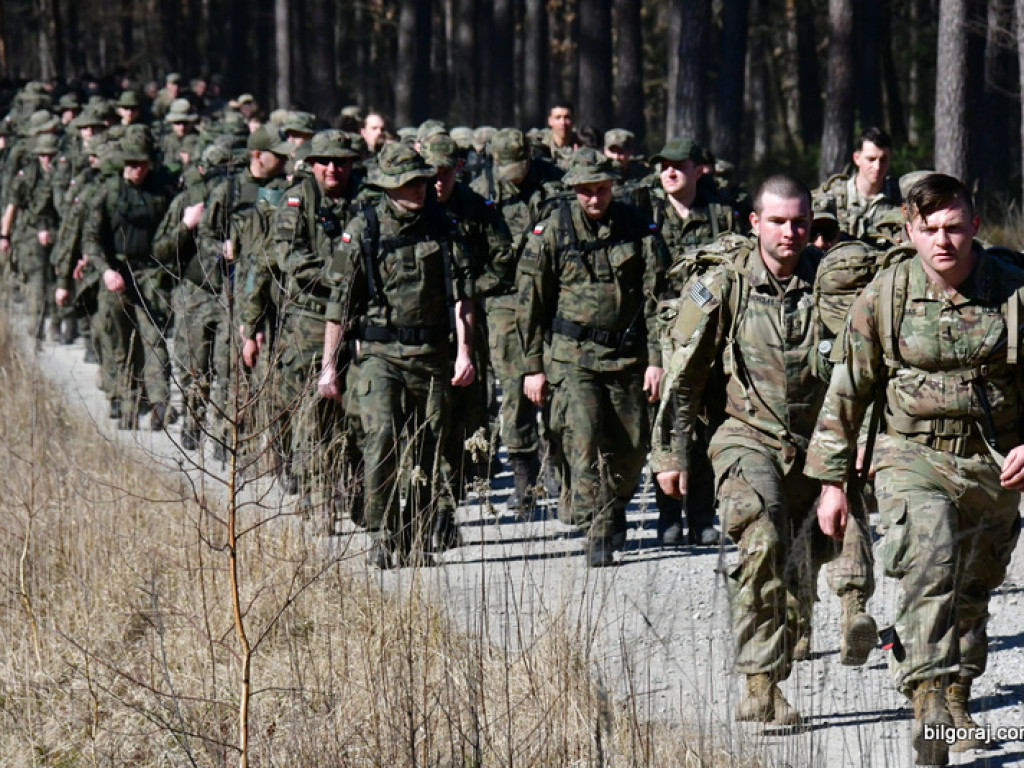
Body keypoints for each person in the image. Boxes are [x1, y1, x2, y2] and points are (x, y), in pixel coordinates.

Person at [806, 173, 1024, 765]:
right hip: (911, 456)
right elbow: (847, 389)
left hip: (993, 463)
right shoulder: (886, 292)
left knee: (974, 589)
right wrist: (832, 483)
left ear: (975, 227)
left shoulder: (1013, 288)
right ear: (910, 231)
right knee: (930, 563)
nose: (942, 241)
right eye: (928, 230)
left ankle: (956, 702)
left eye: (954, 228)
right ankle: (927, 701)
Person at [653, 174, 835, 723]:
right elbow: (682, 376)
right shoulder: (719, 285)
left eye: (800, 221)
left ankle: (792, 622)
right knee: (760, 541)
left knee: (802, 556)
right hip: (743, 436)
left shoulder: (828, 284)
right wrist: (670, 455)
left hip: (813, 445)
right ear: (755, 223)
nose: (791, 232)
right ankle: (761, 683)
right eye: (778, 221)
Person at [319, 142, 476, 567]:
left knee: (428, 448)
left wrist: (464, 353)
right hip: (378, 355)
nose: (420, 189)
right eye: (410, 183)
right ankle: (386, 531)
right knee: (382, 438)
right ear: (389, 187)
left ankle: (419, 533)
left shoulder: (444, 227)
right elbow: (339, 303)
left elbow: (462, 297)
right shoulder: (364, 228)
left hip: (430, 355)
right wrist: (328, 366)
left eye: (423, 181)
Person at [517, 147, 665, 567]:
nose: (595, 198)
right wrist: (533, 367)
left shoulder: (637, 227)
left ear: (612, 187)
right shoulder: (553, 231)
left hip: (627, 357)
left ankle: (615, 505)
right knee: (582, 440)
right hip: (572, 358)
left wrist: (656, 359)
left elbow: (656, 299)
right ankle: (597, 527)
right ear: (573, 190)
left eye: (601, 189)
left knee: (632, 448)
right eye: (586, 191)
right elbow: (531, 303)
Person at [646, 136, 740, 547]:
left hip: (713, 332)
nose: (670, 172)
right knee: (669, 424)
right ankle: (667, 515)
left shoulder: (721, 214)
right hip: (668, 334)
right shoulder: (648, 215)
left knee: (705, 425)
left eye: (678, 165)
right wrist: (654, 356)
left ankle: (701, 514)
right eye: (664, 165)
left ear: (698, 169)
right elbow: (644, 290)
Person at [470, 127, 562, 512]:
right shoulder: (480, 193)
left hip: (554, 294)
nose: (514, 175)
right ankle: (525, 478)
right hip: (505, 297)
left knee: (559, 381)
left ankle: (560, 465)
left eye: (519, 166)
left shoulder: (556, 185)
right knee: (514, 383)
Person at [82, 137, 175, 429]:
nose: (137, 169)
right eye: (132, 164)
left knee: (153, 337)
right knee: (118, 340)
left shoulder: (160, 193)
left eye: (142, 164)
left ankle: (160, 401)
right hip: (116, 273)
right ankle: (125, 400)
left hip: (149, 272)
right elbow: (92, 238)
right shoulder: (108, 193)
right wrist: (106, 270)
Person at [816, 126, 900, 241]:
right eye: (871, 159)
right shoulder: (835, 197)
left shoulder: (899, 196)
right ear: (857, 158)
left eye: (883, 159)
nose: (877, 167)